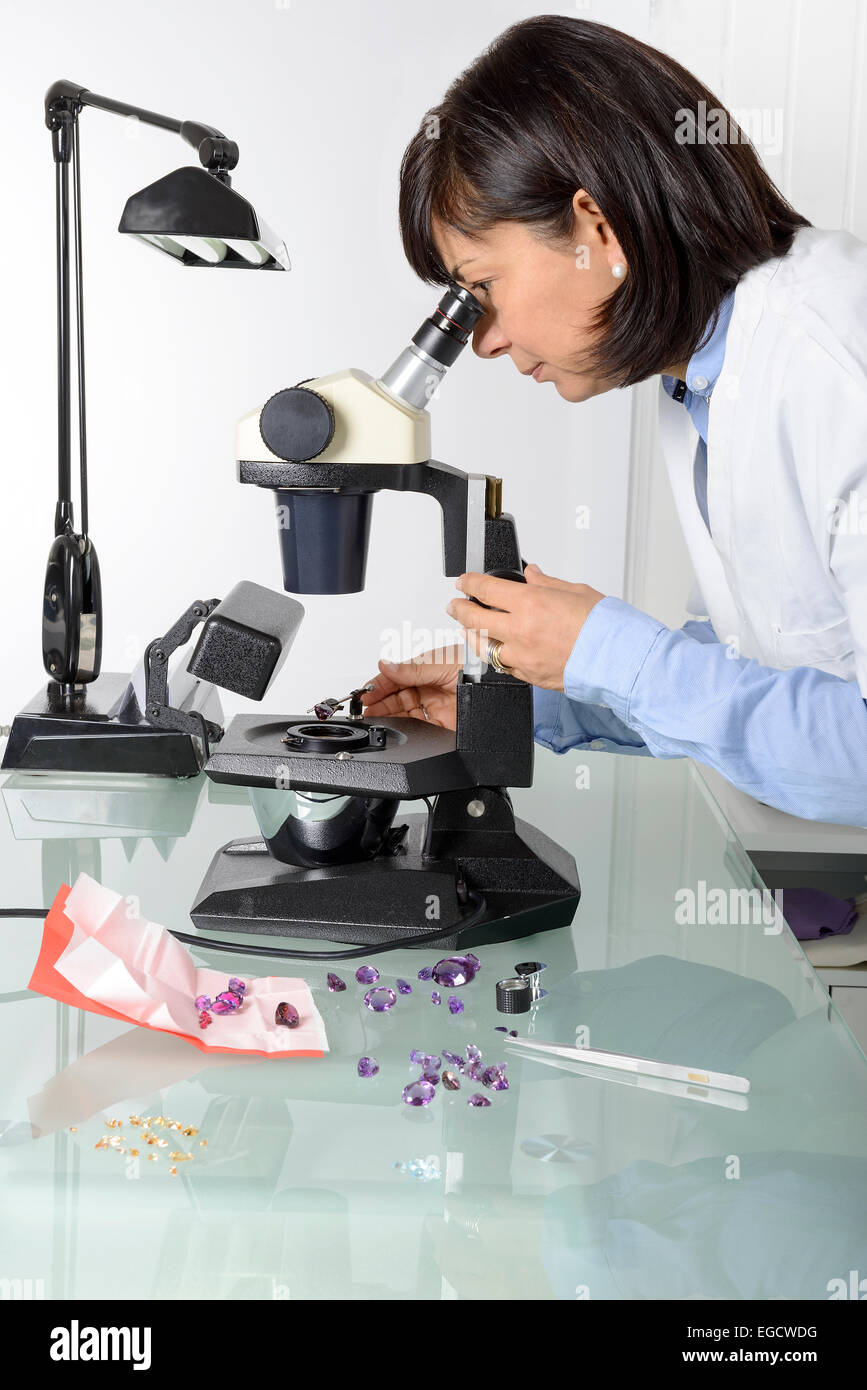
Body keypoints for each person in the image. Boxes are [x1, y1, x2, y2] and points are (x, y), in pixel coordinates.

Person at [361, 15, 867, 827]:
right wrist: (540, 698)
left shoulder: (834, 361)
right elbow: (767, 671)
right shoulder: (700, 385)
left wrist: (610, 653)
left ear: (597, 229)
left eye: (479, 288)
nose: (481, 342)